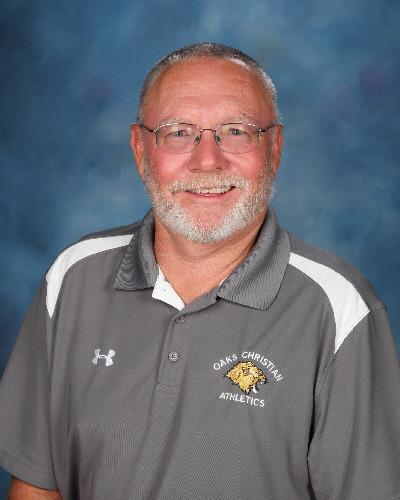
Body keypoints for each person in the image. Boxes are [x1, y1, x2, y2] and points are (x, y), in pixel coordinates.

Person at [1, 42, 399, 500]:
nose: (207, 160)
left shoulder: (342, 308)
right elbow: (36, 485)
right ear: (139, 148)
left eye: (236, 131)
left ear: (274, 148)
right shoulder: (73, 277)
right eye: (177, 132)